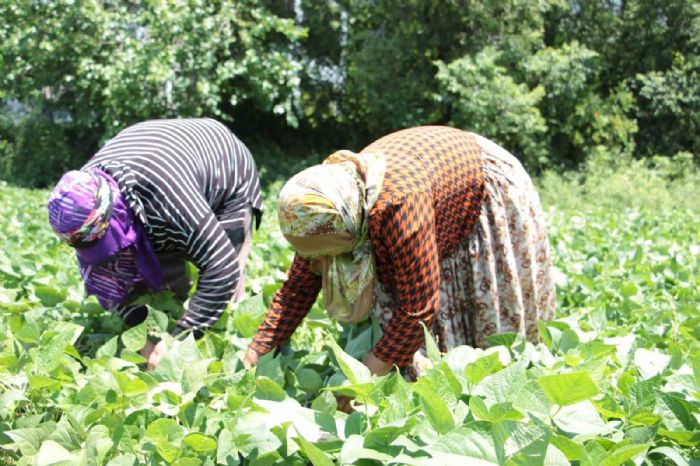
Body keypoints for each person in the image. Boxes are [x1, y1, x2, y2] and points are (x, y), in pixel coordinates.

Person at [243, 126, 555, 377]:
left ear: (349, 229)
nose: (320, 263)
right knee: (406, 343)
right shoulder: (323, 210)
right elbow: (298, 288)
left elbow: (419, 308)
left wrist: (365, 381)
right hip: (428, 186)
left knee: (484, 341)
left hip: (482, 188)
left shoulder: (396, 207)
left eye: (324, 254)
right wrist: (255, 354)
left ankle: (500, 383)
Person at [47, 118, 262, 369]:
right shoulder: (79, 204)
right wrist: (142, 339)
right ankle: (171, 326)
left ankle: (229, 351)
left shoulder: (165, 199)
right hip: (165, 167)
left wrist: (181, 340)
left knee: (225, 294)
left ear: (117, 215)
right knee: (166, 286)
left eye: (106, 240)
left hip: (225, 168)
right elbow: (109, 282)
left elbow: (222, 267)